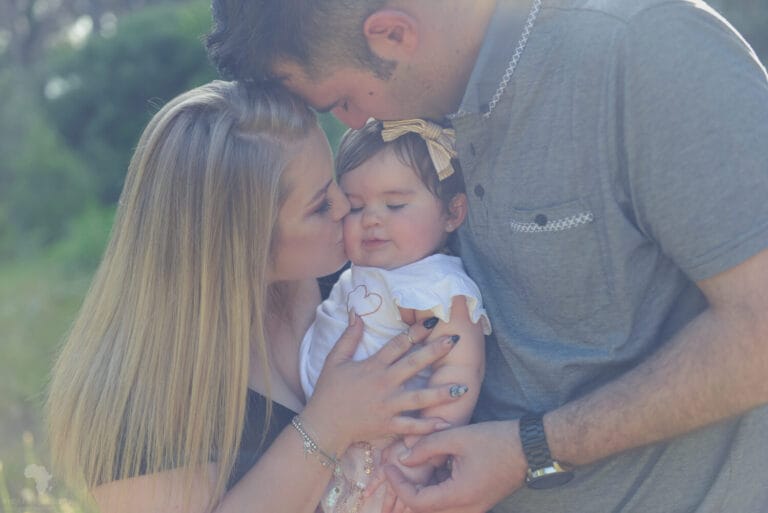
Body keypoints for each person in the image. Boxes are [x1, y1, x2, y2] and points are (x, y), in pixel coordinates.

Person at [205, 1, 768, 512]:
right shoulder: (414, 118)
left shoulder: (643, 51)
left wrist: (534, 449)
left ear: (393, 34)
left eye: (343, 102)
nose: (354, 126)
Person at [46, 80, 468, 513]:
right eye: (321, 205)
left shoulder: (345, 278)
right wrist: (325, 426)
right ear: (241, 243)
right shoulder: (136, 402)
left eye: (337, 185)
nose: (348, 209)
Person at [300, 118, 490, 513]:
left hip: (390, 459)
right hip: (332, 447)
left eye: (395, 204)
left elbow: (459, 375)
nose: (372, 218)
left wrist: (418, 460)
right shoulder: (357, 273)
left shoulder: (435, 285)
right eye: (355, 206)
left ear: (452, 213)